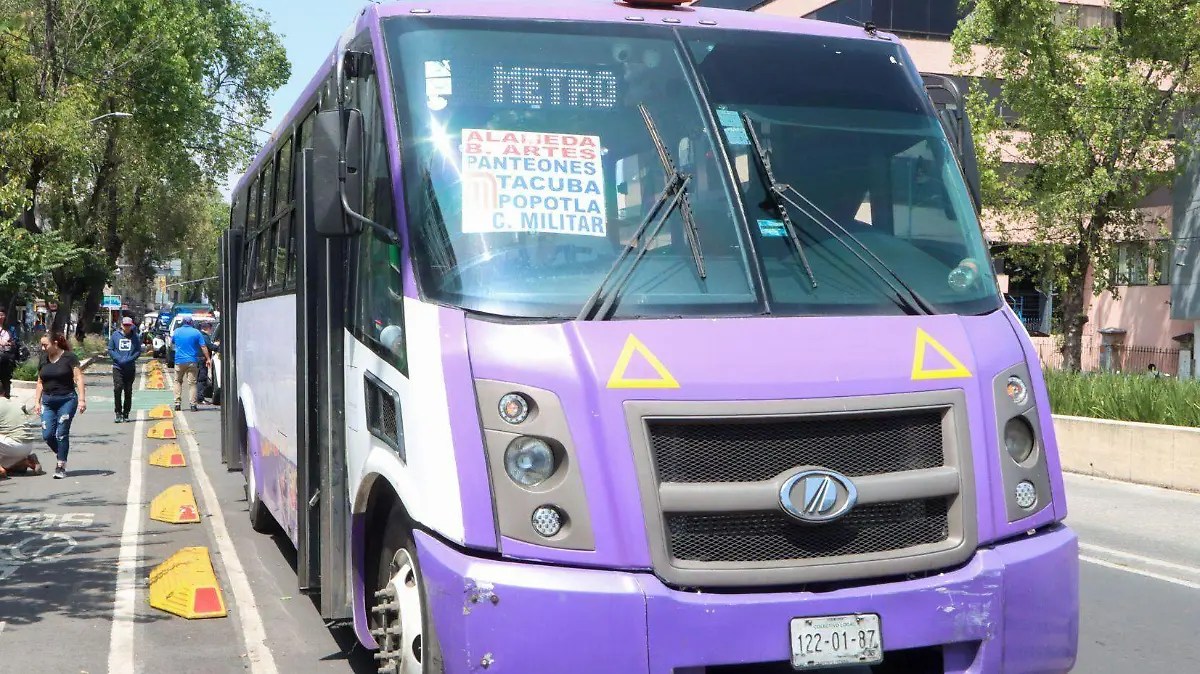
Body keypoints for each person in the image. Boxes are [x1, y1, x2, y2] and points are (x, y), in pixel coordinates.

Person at [33, 332, 86, 479]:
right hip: (48, 401)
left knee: (61, 433)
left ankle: (61, 465)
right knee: (48, 435)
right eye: (42, 345)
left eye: (45, 345)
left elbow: (79, 378)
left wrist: (82, 399)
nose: (43, 348)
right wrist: (37, 402)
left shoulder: (69, 357)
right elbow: (40, 382)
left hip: (67, 400)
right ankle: (61, 452)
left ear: (55, 343)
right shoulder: (43, 358)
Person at [171, 316, 209, 412]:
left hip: (179, 361)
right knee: (192, 384)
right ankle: (193, 405)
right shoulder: (196, 332)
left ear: (182, 322)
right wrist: (208, 358)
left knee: (177, 381)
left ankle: (177, 403)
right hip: (192, 360)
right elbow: (203, 346)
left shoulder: (177, 331)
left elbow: (172, 343)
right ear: (191, 323)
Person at [108, 317, 142, 422]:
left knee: (128, 390)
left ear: (131, 325)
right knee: (118, 388)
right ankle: (118, 412)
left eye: (129, 325)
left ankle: (126, 413)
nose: (127, 327)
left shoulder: (135, 337)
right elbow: (110, 349)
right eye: (125, 325)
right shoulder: (115, 335)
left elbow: (138, 351)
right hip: (118, 367)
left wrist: (130, 359)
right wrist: (118, 358)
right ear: (122, 325)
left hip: (129, 367)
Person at [0, 396, 42, 478]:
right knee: (4, 463)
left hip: (13, 444)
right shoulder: (13, 402)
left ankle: (1, 470)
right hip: (26, 445)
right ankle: (25, 462)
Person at [195, 322, 216, 405]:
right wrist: (219, 347)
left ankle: (199, 397)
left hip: (198, 359)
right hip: (202, 359)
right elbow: (209, 346)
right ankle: (200, 398)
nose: (211, 331)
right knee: (202, 379)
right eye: (211, 329)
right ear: (208, 328)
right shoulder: (204, 336)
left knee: (199, 379)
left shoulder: (199, 335)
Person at [0, 309, 19, 398]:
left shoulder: (10, 328)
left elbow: (15, 341)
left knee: (6, 375)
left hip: (7, 356)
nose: (0, 317)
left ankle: (6, 392)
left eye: (2, 315)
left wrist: (8, 343)